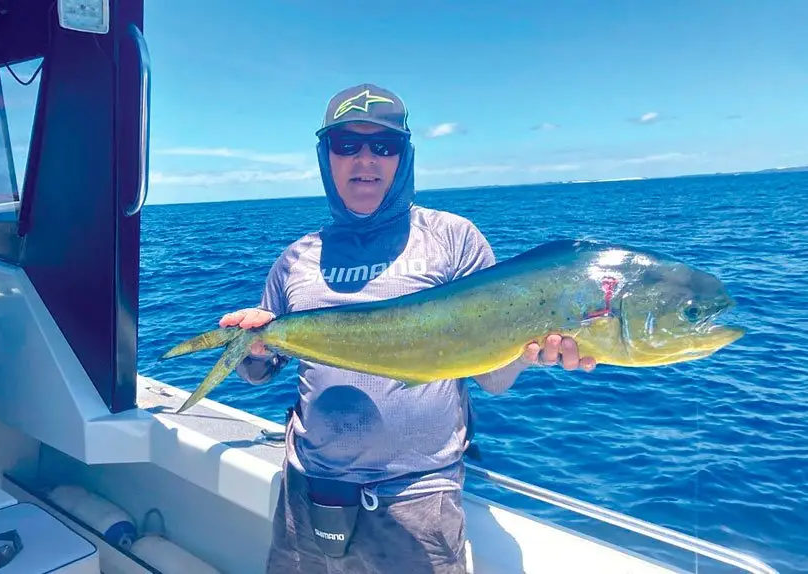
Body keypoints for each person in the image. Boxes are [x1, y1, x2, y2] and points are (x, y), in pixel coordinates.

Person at [220, 83, 596, 573]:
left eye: (384, 146)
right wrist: (251, 348)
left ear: (405, 156)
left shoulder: (453, 241)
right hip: (306, 490)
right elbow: (260, 368)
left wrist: (530, 352)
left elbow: (495, 379)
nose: (365, 160)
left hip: (417, 499)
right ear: (325, 156)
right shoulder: (296, 258)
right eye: (346, 145)